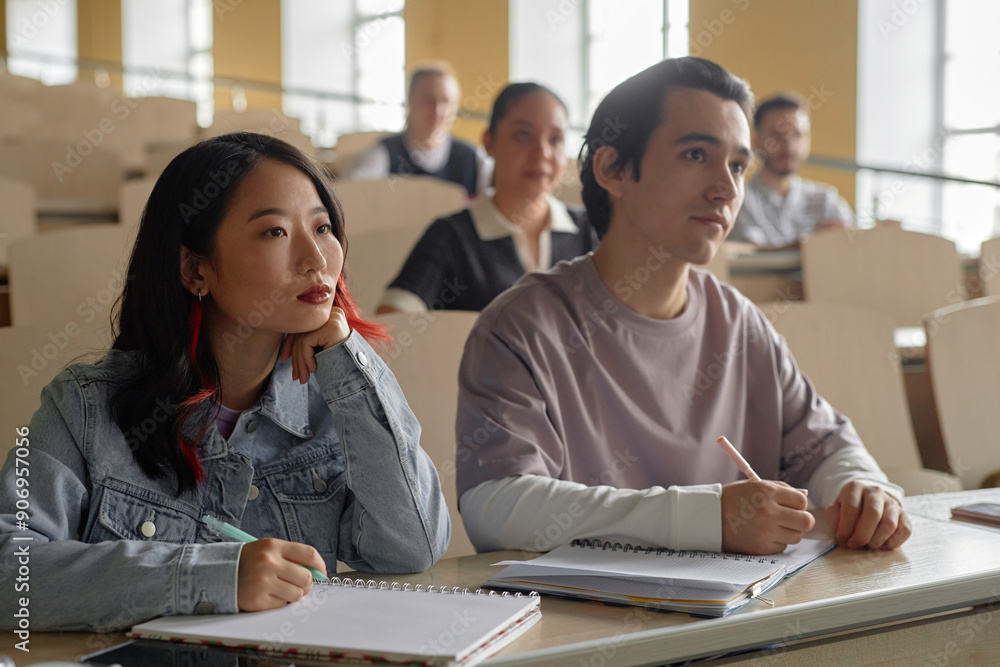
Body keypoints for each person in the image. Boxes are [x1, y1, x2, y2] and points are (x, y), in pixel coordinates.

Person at [455, 58, 911, 557]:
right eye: (697, 155)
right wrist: (702, 517)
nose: (728, 188)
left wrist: (862, 488)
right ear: (613, 169)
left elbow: (825, 447)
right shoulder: (520, 327)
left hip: (740, 622)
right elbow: (496, 507)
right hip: (582, 624)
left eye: (738, 165)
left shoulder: (740, 323)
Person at [0, 133, 450, 632]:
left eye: (323, 228)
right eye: (275, 232)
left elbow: (411, 547)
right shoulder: (83, 407)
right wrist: (208, 579)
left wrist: (349, 361)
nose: (316, 260)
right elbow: (9, 575)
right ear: (195, 268)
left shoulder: (336, 401)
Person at [376, 82, 598, 314]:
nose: (542, 152)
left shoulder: (590, 231)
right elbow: (394, 319)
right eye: (524, 135)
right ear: (489, 142)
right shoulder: (452, 236)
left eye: (555, 139)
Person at [728, 93, 854, 248]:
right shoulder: (738, 201)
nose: (789, 145)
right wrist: (813, 245)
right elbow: (751, 256)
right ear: (755, 141)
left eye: (798, 135)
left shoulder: (826, 201)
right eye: (777, 135)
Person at [350, 62, 492, 197]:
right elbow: (355, 197)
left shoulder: (474, 160)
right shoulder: (384, 153)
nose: (437, 110)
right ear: (410, 101)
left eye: (445, 101)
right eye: (428, 100)